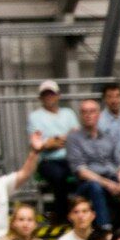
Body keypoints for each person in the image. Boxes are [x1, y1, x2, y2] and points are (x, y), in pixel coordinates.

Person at [66, 98, 120, 228]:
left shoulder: (108, 137)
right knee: (96, 187)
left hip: (112, 178)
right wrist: (107, 184)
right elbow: (81, 171)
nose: (88, 115)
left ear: (99, 115)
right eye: (84, 112)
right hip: (88, 183)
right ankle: (105, 228)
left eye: (92, 111)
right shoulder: (73, 138)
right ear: (80, 116)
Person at [29, 80, 76, 220]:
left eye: (51, 94)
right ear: (40, 98)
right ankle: (62, 217)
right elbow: (38, 144)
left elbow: (75, 135)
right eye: (45, 94)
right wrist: (52, 142)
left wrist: (53, 140)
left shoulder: (69, 113)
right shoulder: (35, 117)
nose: (49, 97)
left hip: (71, 158)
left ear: (58, 96)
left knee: (84, 173)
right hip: (47, 160)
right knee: (59, 177)